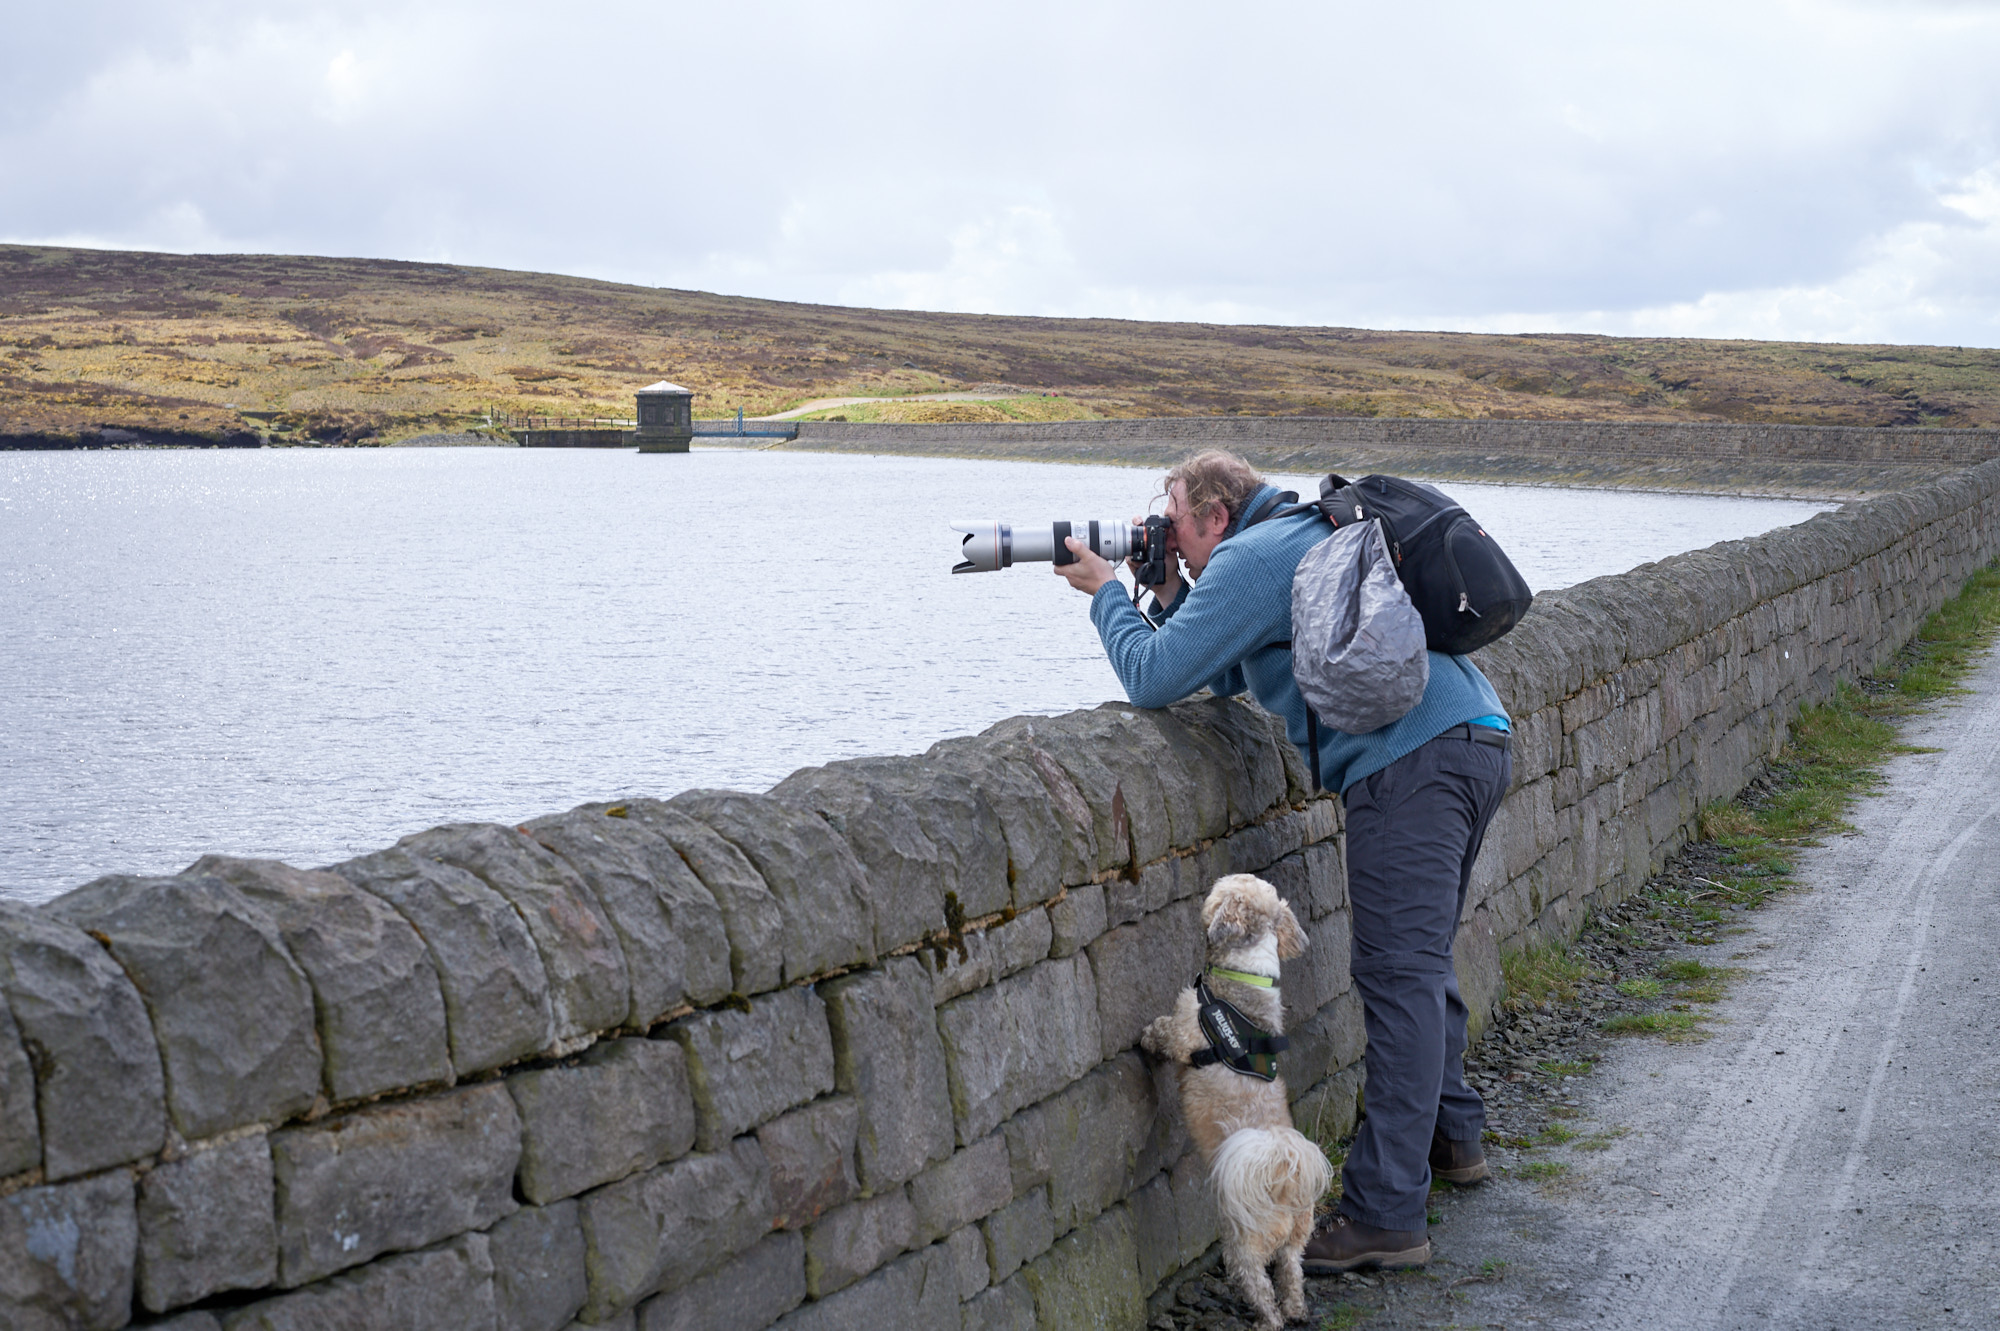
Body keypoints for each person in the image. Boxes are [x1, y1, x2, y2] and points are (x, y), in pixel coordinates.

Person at [1053, 449, 1513, 1273]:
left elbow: (1154, 677)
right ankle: (1453, 1136)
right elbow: (1222, 667)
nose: (1172, 536)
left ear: (1217, 516)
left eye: (1177, 520)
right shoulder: (1298, 536)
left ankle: (1386, 1215)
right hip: (1473, 735)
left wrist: (1107, 597)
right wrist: (1166, 592)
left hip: (1412, 762)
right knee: (1419, 961)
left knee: (1397, 976)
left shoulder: (1247, 557)